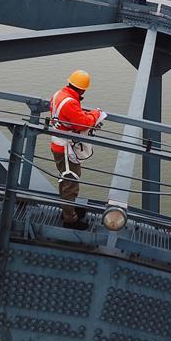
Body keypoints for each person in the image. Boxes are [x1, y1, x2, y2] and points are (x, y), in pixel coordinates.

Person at [49, 69, 106, 229]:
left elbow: (68, 118)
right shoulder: (70, 102)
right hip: (66, 148)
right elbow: (83, 123)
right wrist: (95, 114)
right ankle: (70, 219)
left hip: (59, 144)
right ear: (82, 89)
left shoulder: (58, 94)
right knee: (71, 182)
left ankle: (69, 209)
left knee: (66, 178)